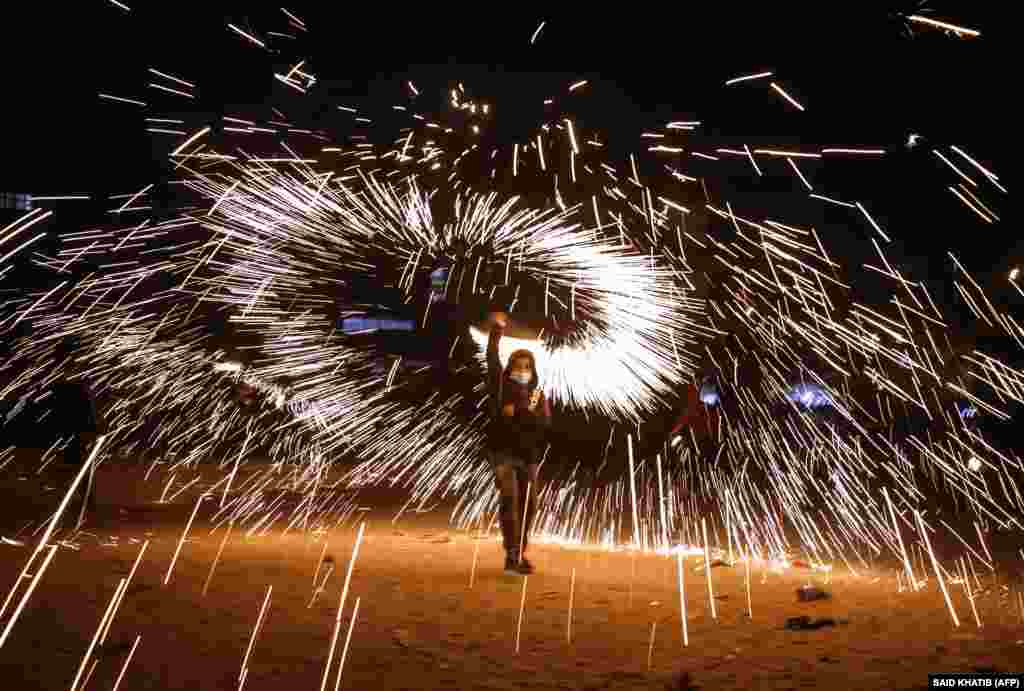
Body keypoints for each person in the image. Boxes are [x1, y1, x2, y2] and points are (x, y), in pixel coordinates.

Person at [485, 311, 552, 575]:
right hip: (503, 453)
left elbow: (545, 425)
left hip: (529, 457)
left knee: (529, 505)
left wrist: (524, 414)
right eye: (518, 366)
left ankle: (519, 552)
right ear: (510, 368)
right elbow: (491, 358)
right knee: (510, 498)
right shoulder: (501, 387)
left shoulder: (538, 395)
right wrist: (496, 330)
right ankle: (512, 554)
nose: (522, 371)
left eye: (527, 367)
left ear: (532, 370)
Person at [50, 336, 104, 521]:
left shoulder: (68, 377)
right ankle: (80, 502)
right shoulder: (66, 378)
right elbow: (81, 402)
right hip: (70, 426)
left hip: (73, 427)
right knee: (74, 464)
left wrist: (93, 424)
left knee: (76, 463)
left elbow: (84, 402)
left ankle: (83, 502)